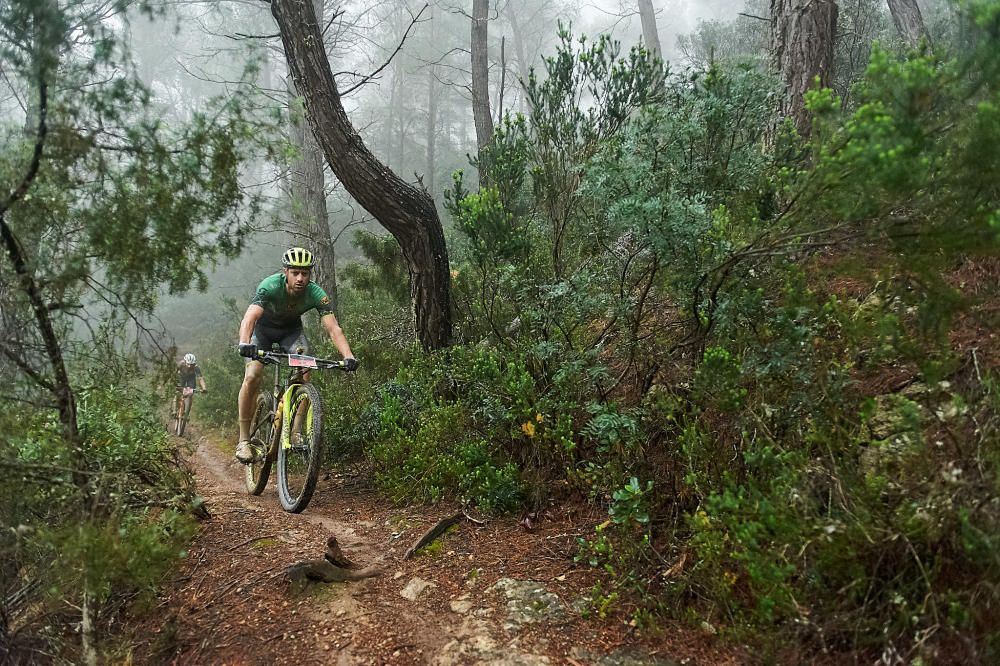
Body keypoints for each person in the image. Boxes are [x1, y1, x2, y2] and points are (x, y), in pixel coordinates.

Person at [234, 247, 358, 463]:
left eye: (305, 273)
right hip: (262, 333)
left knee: (306, 368)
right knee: (253, 375)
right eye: (295, 273)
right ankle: (244, 440)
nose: (300, 278)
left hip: (291, 334)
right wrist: (245, 342)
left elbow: (333, 328)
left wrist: (348, 356)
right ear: (286, 272)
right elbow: (250, 317)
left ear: (310, 274)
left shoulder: (316, 293)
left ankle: (295, 431)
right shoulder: (270, 286)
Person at [175, 353, 207, 419]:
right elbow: (174, 373)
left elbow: (200, 378)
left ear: (194, 364)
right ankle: (175, 408)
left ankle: (187, 413)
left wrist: (204, 388)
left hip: (191, 379)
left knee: (190, 394)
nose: (189, 366)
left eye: (191, 365)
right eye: (188, 364)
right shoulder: (181, 364)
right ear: (185, 362)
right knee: (178, 391)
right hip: (181, 377)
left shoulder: (196, 367)